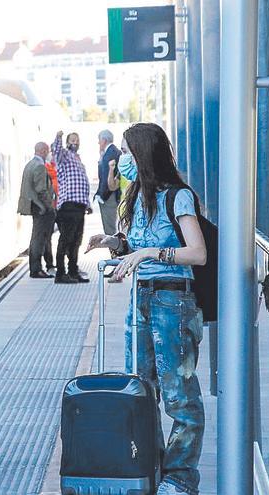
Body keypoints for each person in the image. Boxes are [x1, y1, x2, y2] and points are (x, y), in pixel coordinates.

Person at [87, 123, 206, 495]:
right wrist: (115, 243)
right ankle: (151, 468)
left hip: (173, 302)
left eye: (127, 152)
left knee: (180, 397)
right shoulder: (138, 195)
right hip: (141, 299)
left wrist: (149, 253)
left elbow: (197, 253)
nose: (121, 160)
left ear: (144, 153)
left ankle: (180, 477)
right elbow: (139, 243)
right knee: (140, 388)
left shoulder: (179, 197)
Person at [51, 130, 92, 284]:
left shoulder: (77, 158)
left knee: (76, 241)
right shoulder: (64, 156)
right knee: (66, 240)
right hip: (68, 205)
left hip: (79, 205)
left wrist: (87, 204)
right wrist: (59, 137)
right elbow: (56, 150)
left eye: (77, 139)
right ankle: (60, 273)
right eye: (72, 139)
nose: (75, 142)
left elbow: (83, 182)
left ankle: (73, 271)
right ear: (68, 142)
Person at [18, 142, 56, 278]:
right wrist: (49, 206)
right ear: (44, 150)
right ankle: (36, 269)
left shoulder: (30, 164)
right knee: (39, 238)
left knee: (40, 237)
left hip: (33, 206)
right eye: (48, 150)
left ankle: (45, 265)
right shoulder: (40, 166)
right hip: (40, 207)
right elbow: (41, 190)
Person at [94, 129, 122, 236]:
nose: (98, 143)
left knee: (110, 229)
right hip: (111, 195)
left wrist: (102, 196)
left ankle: (114, 252)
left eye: (99, 140)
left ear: (104, 140)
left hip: (109, 196)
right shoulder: (113, 152)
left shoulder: (109, 154)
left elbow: (106, 177)